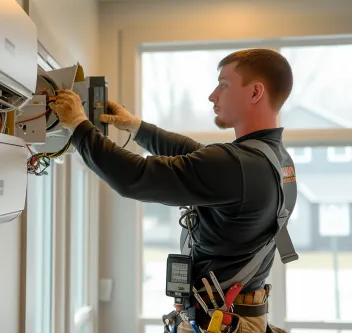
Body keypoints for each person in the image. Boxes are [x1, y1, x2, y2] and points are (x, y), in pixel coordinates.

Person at [51, 48, 297, 333]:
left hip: (218, 322)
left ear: (255, 93)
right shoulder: (277, 161)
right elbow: (194, 154)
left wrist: (79, 126)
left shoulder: (238, 166)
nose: (213, 95)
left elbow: (135, 176)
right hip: (240, 317)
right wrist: (137, 127)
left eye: (224, 85)